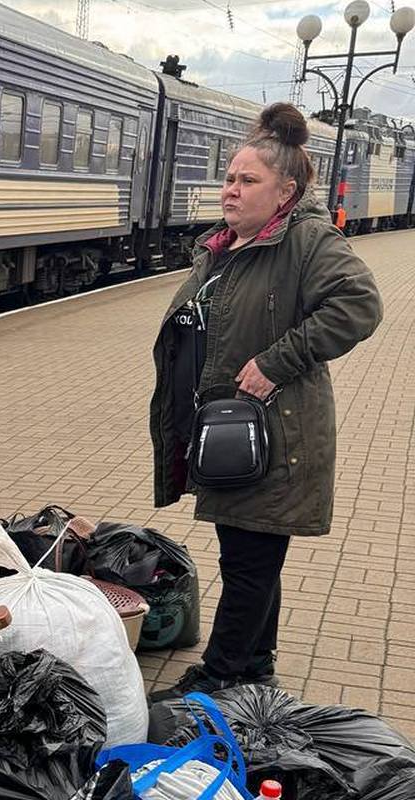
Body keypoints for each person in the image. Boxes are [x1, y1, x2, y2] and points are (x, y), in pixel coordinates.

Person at [148, 104, 382, 701]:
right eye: (230, 177)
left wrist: (276, 361)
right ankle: (255, 664)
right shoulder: (224, 247)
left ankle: (223, 673)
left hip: (274, 437)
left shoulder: (306, 241)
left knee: (250, 562)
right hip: (233, 434)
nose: (232, 188)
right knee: (250, 553)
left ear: (285, 191)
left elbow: (358, 306)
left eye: (247, 180)